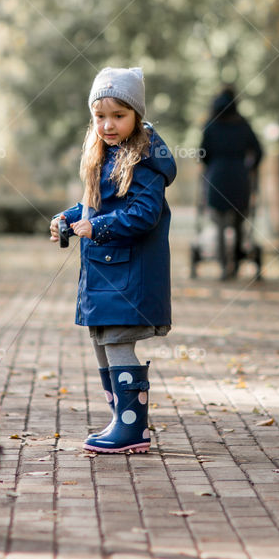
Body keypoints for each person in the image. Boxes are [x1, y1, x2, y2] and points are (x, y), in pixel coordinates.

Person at [50, 66, 176, 453]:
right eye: (100, 116)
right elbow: (94, 204)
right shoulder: (106, 155)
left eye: (118, 116)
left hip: (129, 273)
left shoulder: (143, 161)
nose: (107, 124)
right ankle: (120, 419)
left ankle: (133, 429)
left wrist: (98, 227)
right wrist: (70, 218)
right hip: (105, 272)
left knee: (119, 342)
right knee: (102, 344)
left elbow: (143, 213)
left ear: (136, 116)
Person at [199, 86, 263, 280]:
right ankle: (235, 262)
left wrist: (213, 164)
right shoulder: (243, 124)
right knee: (237, 223)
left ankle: (222, 264)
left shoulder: (211, 124)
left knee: (218, 223)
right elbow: (259, 151)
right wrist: (249, 167)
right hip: (239, 177)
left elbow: (203, 153)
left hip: (217, 176)